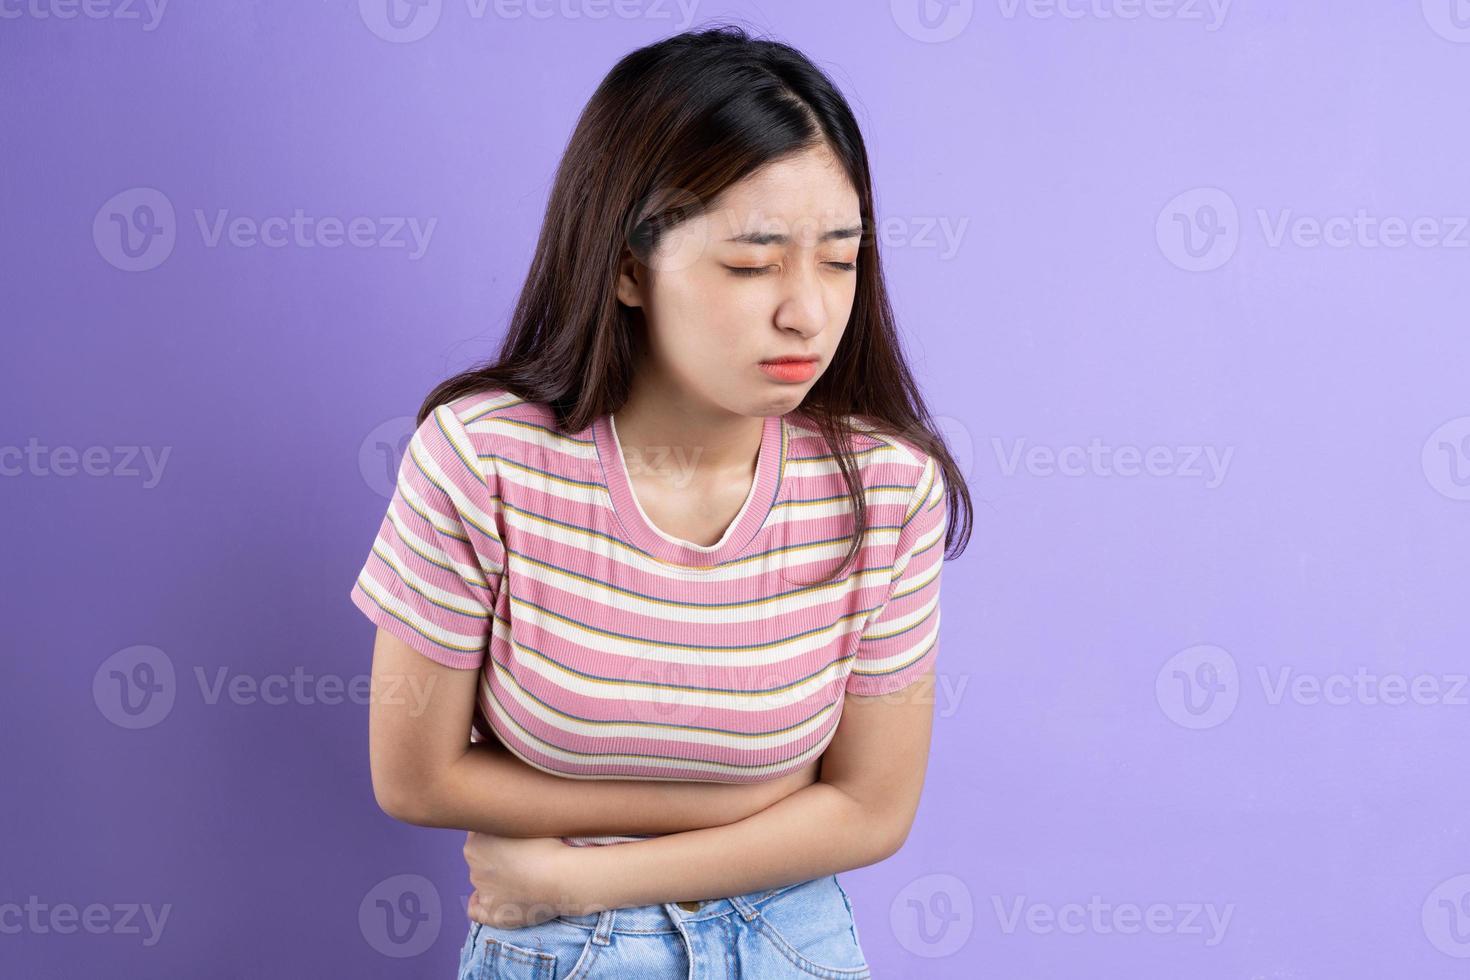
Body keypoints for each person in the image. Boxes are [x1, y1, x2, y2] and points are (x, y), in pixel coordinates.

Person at [348, 23, 971, 978]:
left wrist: (585, 881)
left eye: (840, 260)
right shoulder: (485, 461)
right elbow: (416, 775)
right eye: (752, 263)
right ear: (630, 265)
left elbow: (875, 809)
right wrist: (747, 800)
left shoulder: (887, 488)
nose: (807, 310)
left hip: (786, 945)